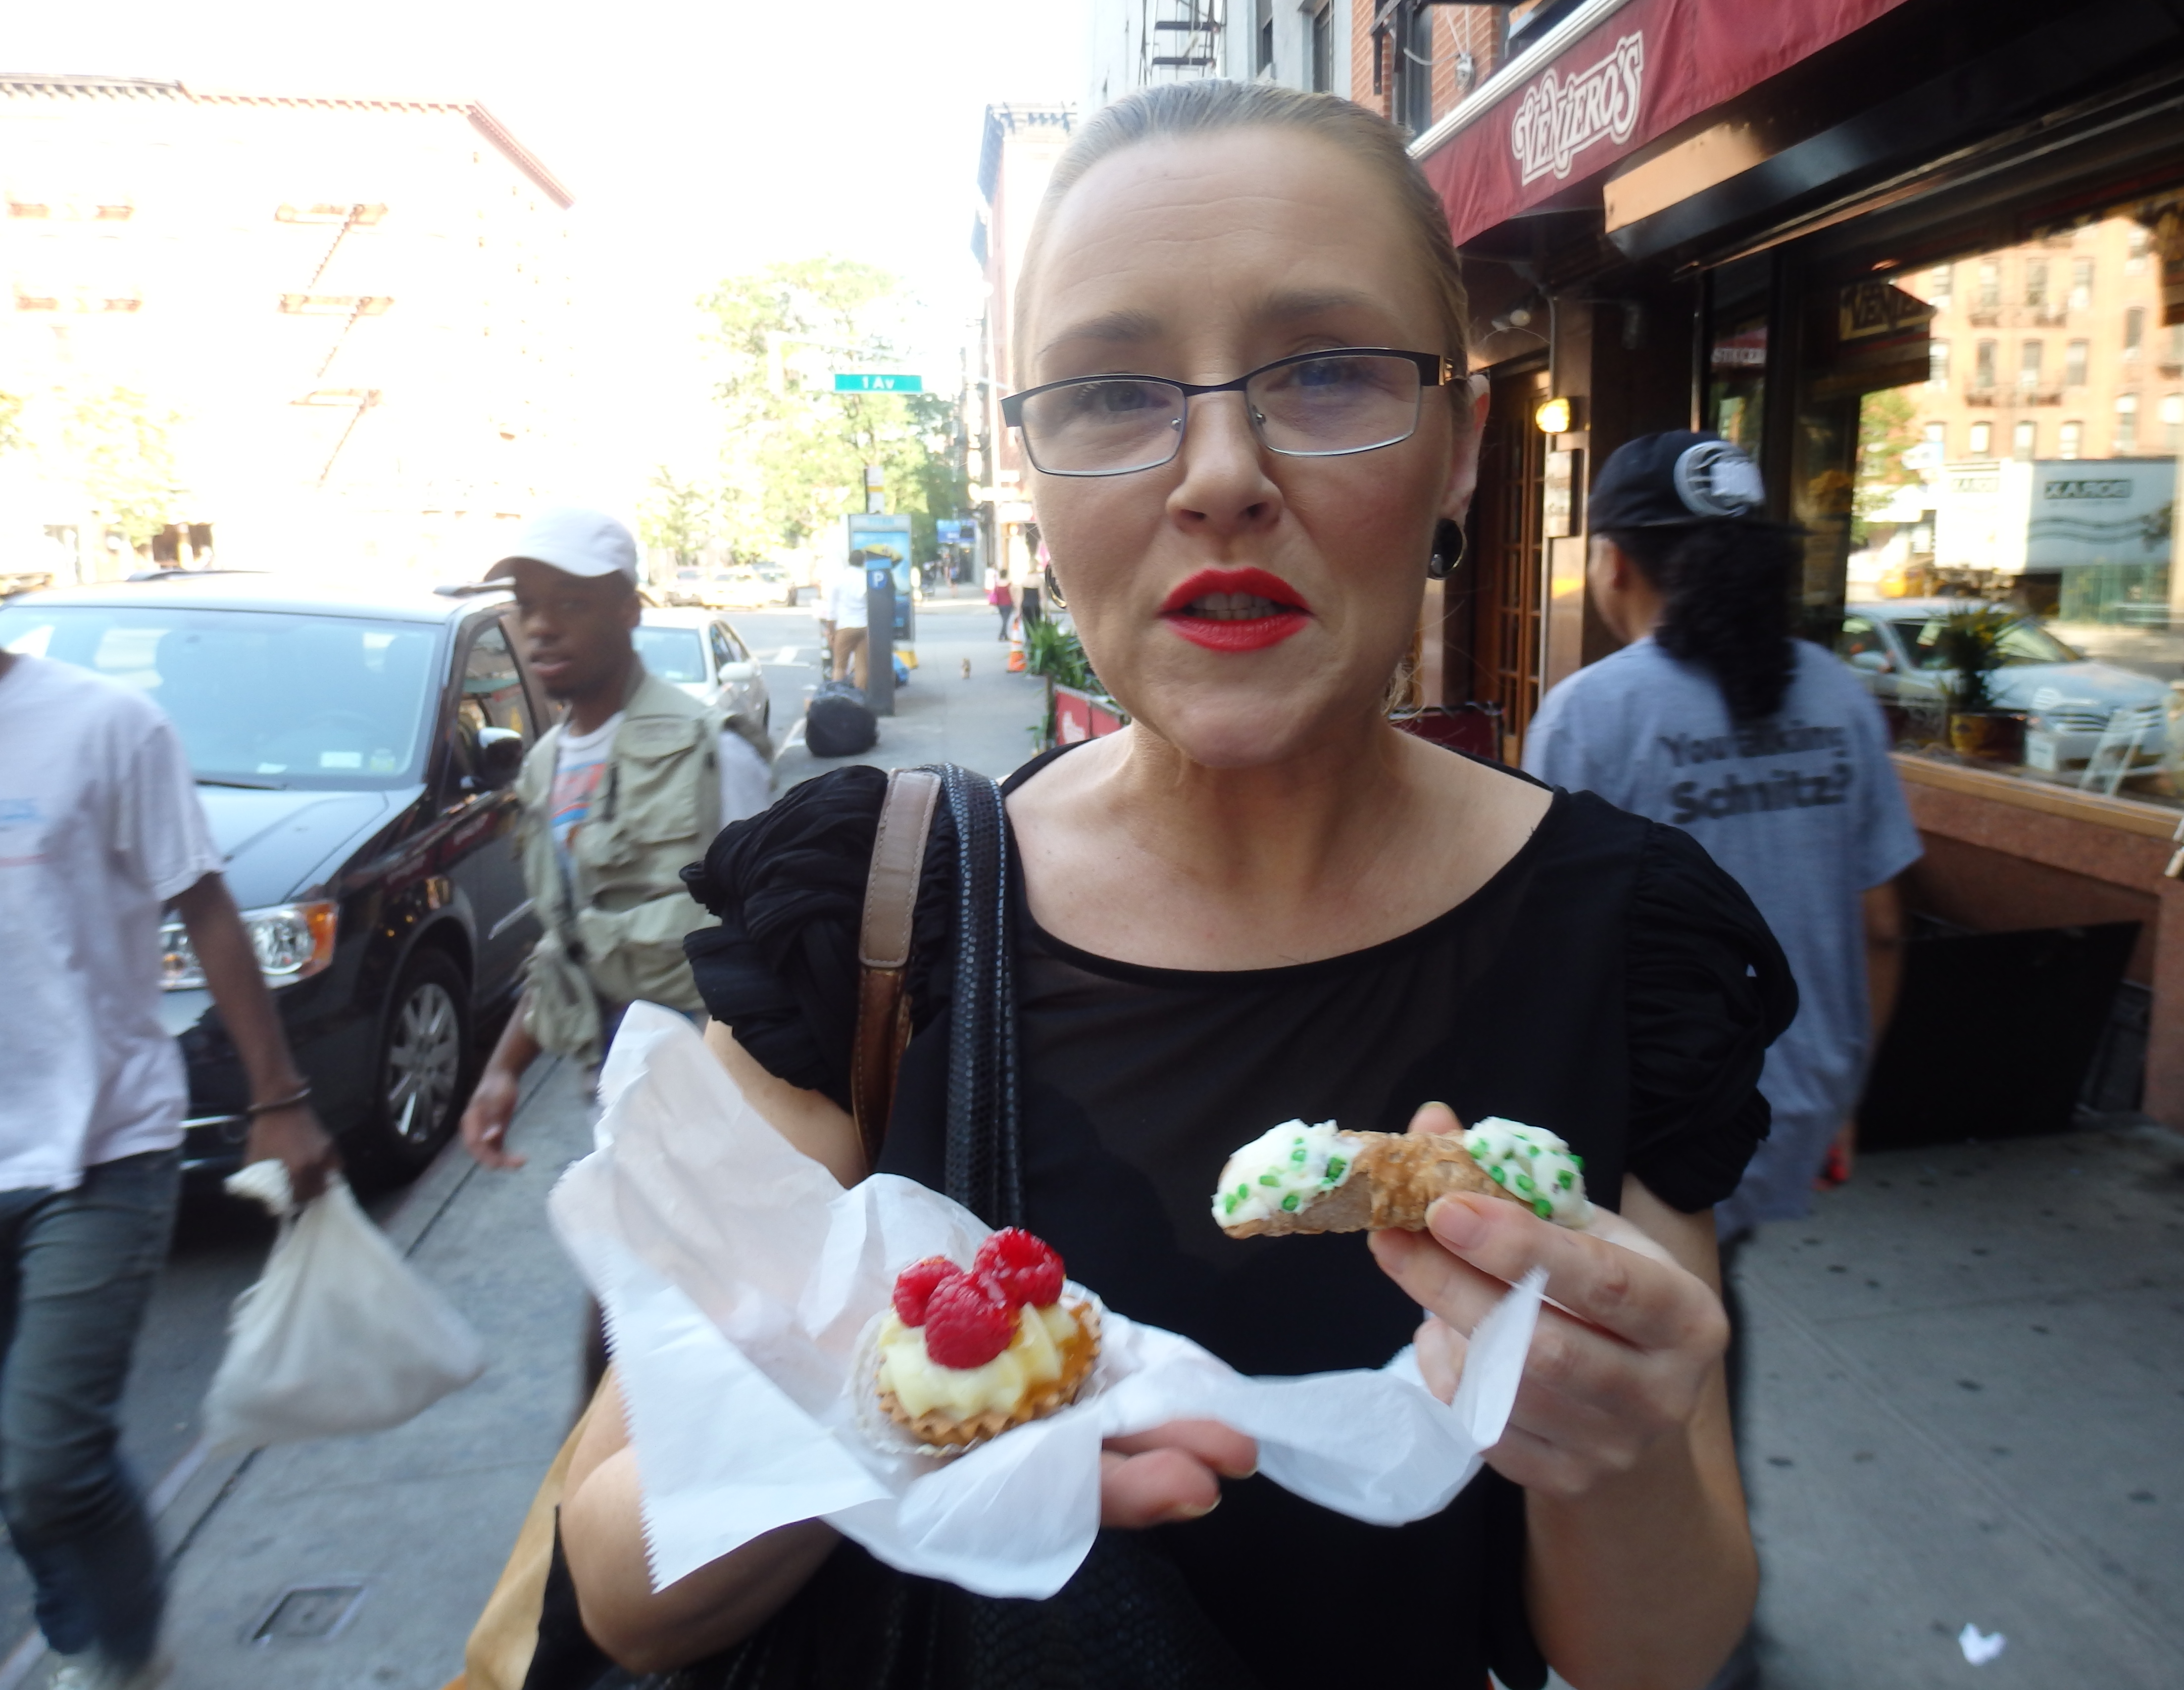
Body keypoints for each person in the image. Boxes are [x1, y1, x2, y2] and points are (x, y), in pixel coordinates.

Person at [556, 82, 1794, 1690]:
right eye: (1109, 392)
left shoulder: (1629, 945)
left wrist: (1611, 1447)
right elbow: (618, 1574)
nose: (1218, 473)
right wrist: (898, 1407)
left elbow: (1653, 1651)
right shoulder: (868, 917)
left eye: (1328, 370)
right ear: (1034, 468)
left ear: (1460, 448)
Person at [1523, 433, 1918, 1686]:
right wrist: (1842, 1097)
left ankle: (1691, 1626)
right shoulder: (1842, 700)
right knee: (1699, 1325)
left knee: (1656, 1357)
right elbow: (1884, 926)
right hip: (1797, 1095)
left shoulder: (1593, 714)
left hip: (1647, 1118)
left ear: (1616, 563)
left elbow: (1541, 947)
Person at [0, 641, 335, 1690]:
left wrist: (279, 1098)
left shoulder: (106, 725)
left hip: (100, 1148)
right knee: (22, 1459)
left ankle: (128, 1655)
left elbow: (207, 907)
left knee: (50, 1457)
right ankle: (81, 1631)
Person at [458, 507, 772, 1175]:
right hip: (610, 1088)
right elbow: (568, 940)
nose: (542, 626)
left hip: (717, 1097)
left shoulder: (712, 750)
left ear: (629, 611)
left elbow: (773, 941)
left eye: (571, 602)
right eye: (527, 606)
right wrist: (503, 1071)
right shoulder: (543, 768)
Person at [819, 547, 871, 690]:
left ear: (849, 561)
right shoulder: (867, 579)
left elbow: (832, 611)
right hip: (864, 627)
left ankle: (838, 694)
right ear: (863, 562)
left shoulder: (839, 580)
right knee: (862, 667)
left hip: (845, 627)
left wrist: (831, 632)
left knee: (840, 666)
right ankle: (859, 696)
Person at [987, 565, 1015, 640]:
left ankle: (1005, 636)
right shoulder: (1009, 584)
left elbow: (995, 594)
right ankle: (1001, 635)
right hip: (1008, 604)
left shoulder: (997, 584)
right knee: (1006, 620)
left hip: (1000, 605)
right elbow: (1012, 594)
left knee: (1004, 620)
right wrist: (1015, 603)